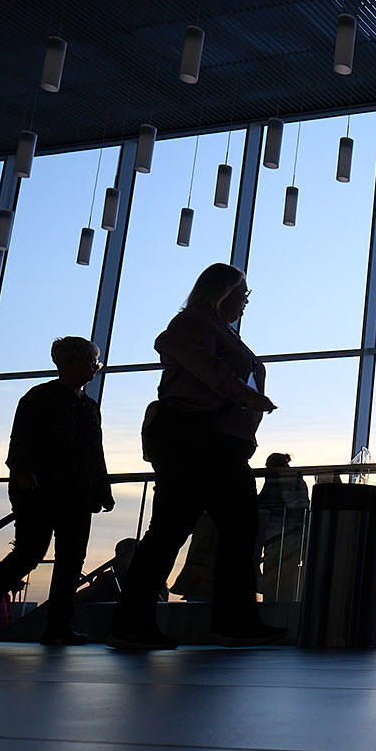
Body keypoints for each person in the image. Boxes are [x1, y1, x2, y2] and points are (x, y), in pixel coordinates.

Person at [112, 264, 284, 650]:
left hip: (221, 444)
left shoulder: (219, 330)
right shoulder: (192, 324)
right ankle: (135, 622)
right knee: (176, 529)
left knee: (234, 528)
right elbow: (207, 369)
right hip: (196, 441)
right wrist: (247, 396)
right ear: (221, 291)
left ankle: (232, 622)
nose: (245, 301)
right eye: (242, 293)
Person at [0, 336, 113, 645]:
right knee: (36, 555)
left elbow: (93, 452)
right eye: (93, 362)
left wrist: (100, 486)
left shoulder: (76, 404)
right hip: (43, 492)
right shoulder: (46, 400)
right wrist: (22, 475)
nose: (96, 368)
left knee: (61, 558)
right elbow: (21, 445)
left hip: (70, 492)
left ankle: (54, 625)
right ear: (72, 363)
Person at [256, 452, 308, 602]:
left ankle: (272, 609)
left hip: (280, 536)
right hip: (290, 537)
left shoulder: (281, 482)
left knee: (275, 579)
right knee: (284, 580)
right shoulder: (295, 481)